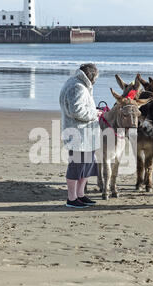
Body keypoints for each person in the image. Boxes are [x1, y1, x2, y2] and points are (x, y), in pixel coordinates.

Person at [59, 63, 102, 208]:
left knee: (88, 165)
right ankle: (72, 199)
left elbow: (79, 107)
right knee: (76, 167)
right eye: (96, 76)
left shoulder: (78, 83)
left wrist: (93, 110)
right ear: (91, 75)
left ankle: (80, 195)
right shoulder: (77, 86)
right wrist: (94, 113)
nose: (96, 79)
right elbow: (76, 111)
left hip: (85, 134)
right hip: (78, 134)